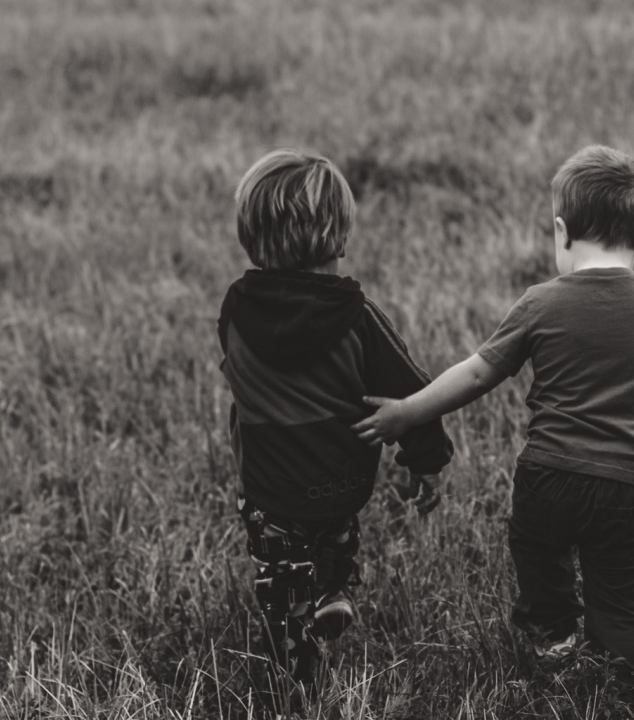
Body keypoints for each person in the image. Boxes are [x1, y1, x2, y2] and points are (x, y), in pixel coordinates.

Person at [352, 145, 634, 680]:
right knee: (619, 589)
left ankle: (553, 635)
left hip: (550, 477)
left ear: (563, 231)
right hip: (631, 485)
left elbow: (476, 374)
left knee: (539, 554)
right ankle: (625, 663)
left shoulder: (541, 302)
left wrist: (407, 410)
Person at [218, 149, 452, 706]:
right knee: (334, 536)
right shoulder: (357, 316)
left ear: (251, 236)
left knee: (282, 581)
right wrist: (427, 460)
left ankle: (299, 662)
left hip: (271, 490)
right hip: (342, 482)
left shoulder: (235, 310)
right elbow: (413, 392)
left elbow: (235, 376)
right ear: (339, 236)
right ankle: (333, 588)